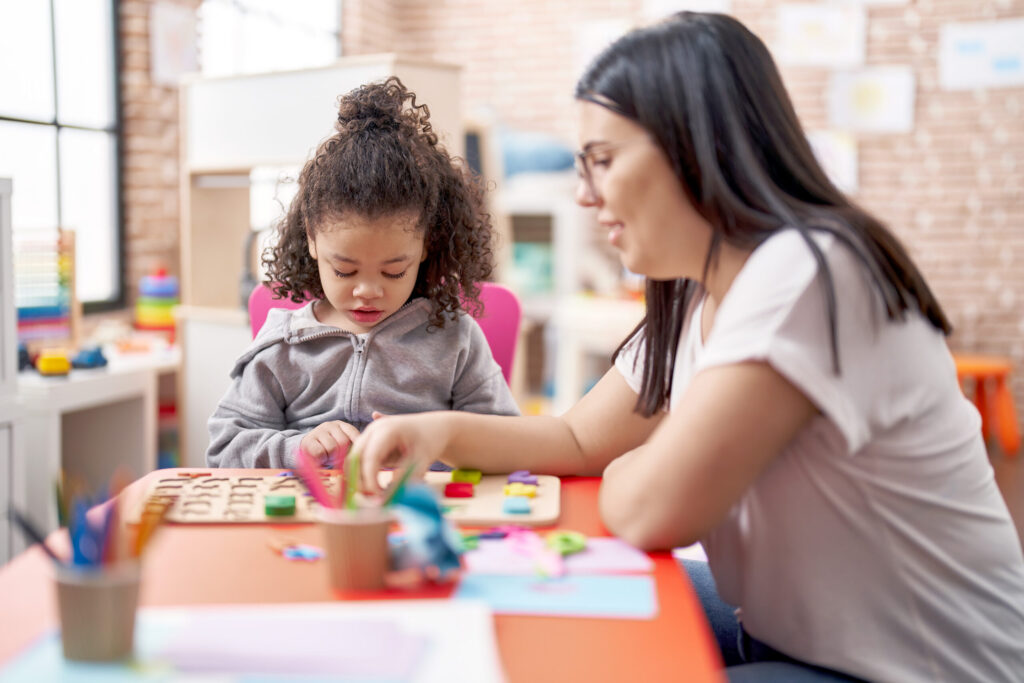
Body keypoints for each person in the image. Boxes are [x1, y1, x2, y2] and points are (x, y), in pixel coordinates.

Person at [348, 12, 1024, 683]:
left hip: (917, 666)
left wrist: (634, 469)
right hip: (786, 632)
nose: (585, 194)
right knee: (537, 618)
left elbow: (649, 510)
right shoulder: (697, 294)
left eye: (603, 161)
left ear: (695, 147)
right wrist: (431, 432)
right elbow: (580, 440)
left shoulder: (808, 271)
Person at [206, 77, 518, 470]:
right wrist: (298, 448)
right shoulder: (284, 347)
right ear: (313, 239)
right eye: (345, 270)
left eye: (394, 272)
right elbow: (224, 447)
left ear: (425, 248)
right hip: (312, 521)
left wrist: (437, 442)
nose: (368, 291)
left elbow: (507, 440)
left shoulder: (455, 340)